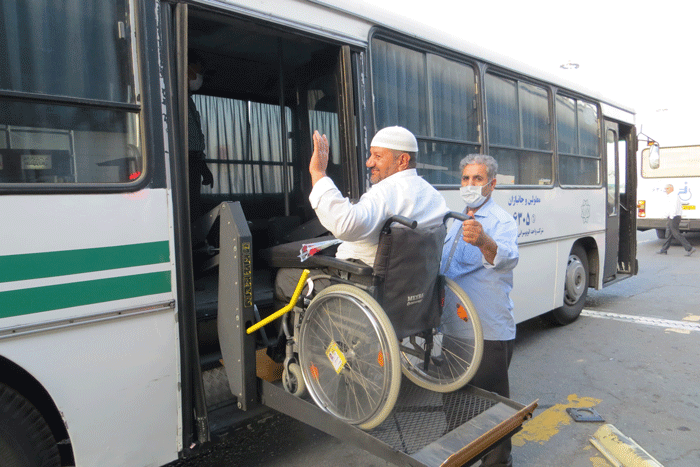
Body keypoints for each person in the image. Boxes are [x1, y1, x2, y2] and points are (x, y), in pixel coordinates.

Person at [275, 126, 449, 301]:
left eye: (377, 156)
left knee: (285, 277)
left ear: (402, 160)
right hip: (410, 288)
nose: (369, 162)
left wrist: (318, 173)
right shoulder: (435, 198)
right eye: (371, 155)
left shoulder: (386, 193)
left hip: (363, 284)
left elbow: (345, 224)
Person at [441, 154, 519, 467]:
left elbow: (508, 257)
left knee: (491, 404)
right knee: (454, 398)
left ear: (492, 184)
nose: (470, 184)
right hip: (455, 329)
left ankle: (498, 461)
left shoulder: (501, 221)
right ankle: (460, 455)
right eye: (466, 178)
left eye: (478, 178)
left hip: (488, 330)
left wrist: (485, 241)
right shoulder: (455, 220)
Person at [187, 51, 214, 222]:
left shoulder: (188, 100)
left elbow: (194, 140)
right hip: (185, 162)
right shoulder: (174, 98)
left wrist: (203, 167)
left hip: (194, 162)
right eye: (197, 72)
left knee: (194, 208)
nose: (199, 77)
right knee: (188, 208)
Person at [657, 184, 695, 256]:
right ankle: (664, 249)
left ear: (671, 188)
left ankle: (690, 248)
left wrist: (671, 217)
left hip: (674, 218)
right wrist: (665, 216)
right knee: (668, 234)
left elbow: (673, 208)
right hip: (672, 217)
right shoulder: (670, 196)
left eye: (667, 189)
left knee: (676, 234)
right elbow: (668, 208)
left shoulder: (674, 196)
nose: (666, 190)